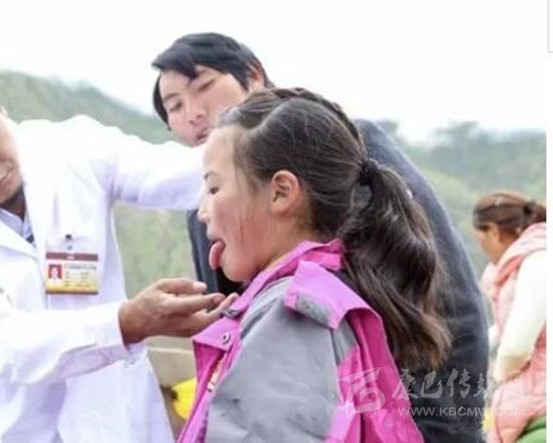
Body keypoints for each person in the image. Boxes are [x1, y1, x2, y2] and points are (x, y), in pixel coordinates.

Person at [0, 48, 235, 442]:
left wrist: (260, 135)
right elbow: (1, 343)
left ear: (0, 109)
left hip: (115, 422)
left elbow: (185, 175)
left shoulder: (73, 148)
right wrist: (126, 323)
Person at [151, 32, 489, 441]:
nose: (193, 113)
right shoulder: (208, 214)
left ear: (254, 76)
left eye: (203, 86)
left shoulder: (350, 154)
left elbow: (451, 303)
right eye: (174, 106)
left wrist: (443, 430)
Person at [179, 87, 451, 441]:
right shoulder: (326, 294)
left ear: (281, 192)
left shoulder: (292, 315)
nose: (202, 211)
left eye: (214, 189)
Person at [472, 192, 546, 443]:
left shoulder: (538, 261)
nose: (483, 250)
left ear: (494, 232)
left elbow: (516, 346)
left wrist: (500, 376)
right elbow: (503, 330)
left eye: (481, 240)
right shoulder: (521, 265)